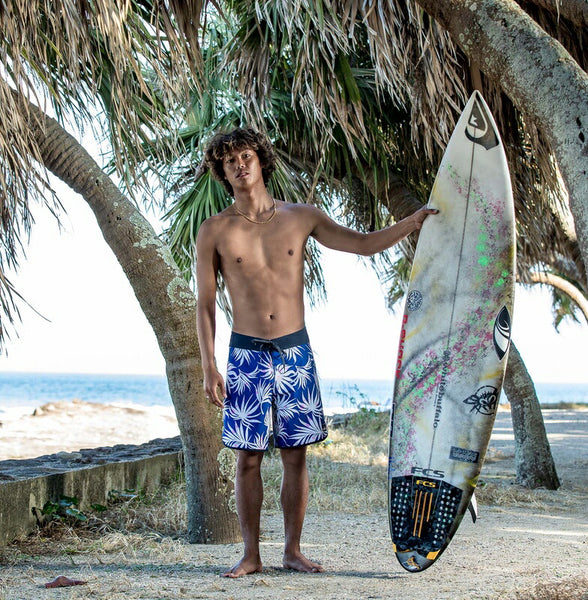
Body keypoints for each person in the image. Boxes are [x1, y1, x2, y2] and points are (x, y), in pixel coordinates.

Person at [195, 128, 438, 578]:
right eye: (230, 161)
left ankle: (292, 551)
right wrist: (209, 366)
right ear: (222, 172)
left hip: (295, 352)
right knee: (247, 458)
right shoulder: (215, 230)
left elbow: (362, 243)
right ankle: (251, 555)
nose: (240, 165)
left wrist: (412, 222)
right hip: (245, 355)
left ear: (261, 161)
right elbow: (206, 304)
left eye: (246, 156)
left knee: (296, 455)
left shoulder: (301, 216)